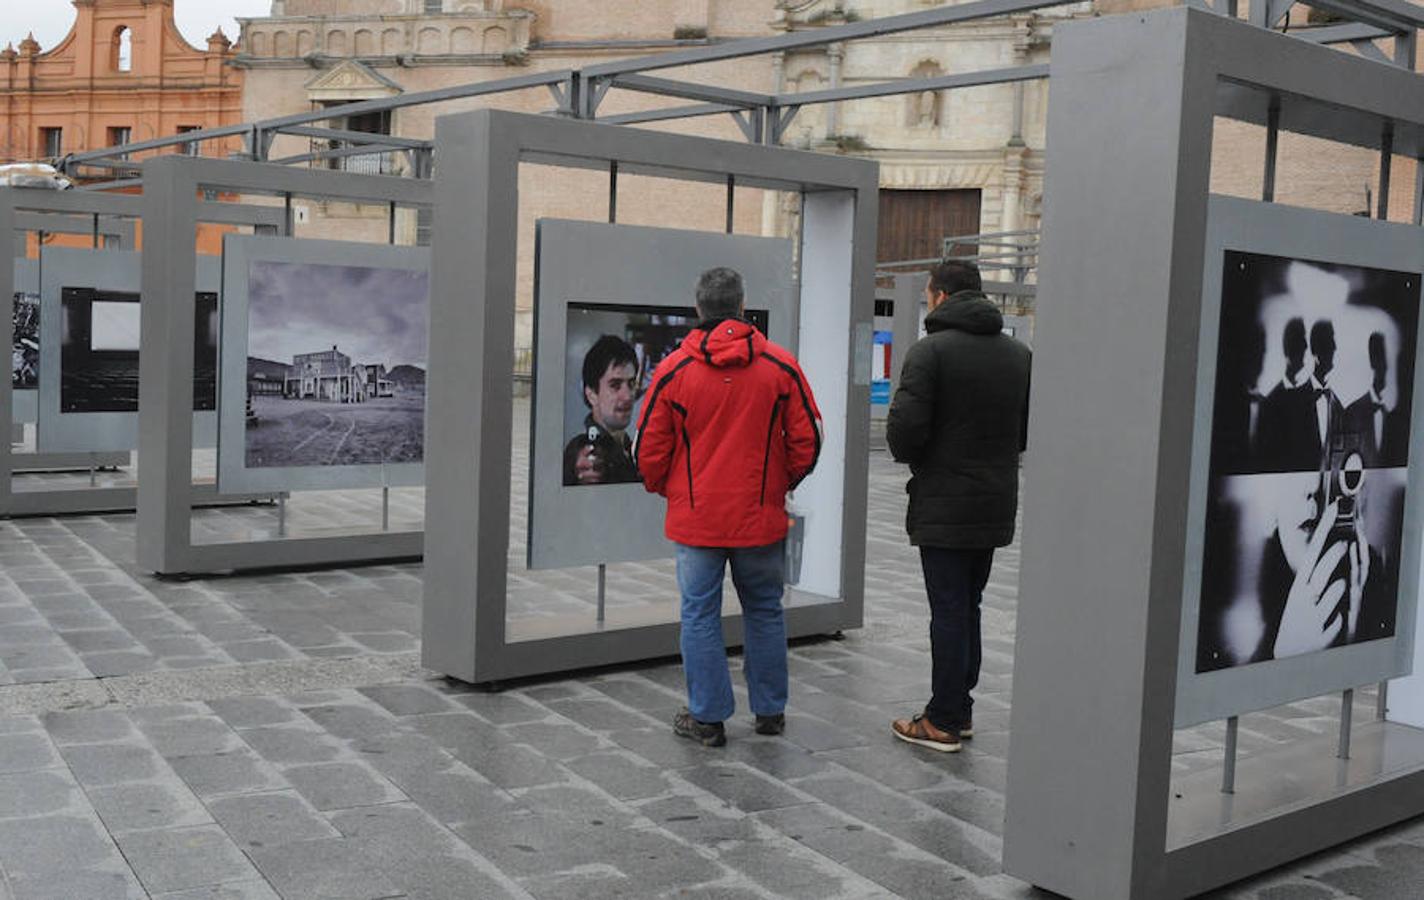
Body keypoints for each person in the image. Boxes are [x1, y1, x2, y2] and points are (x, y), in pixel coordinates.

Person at [636, 266, 822, 747]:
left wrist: (670, 490)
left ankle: (708, 717)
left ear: (697, 309)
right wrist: (779, 483)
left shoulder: (674, 371)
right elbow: (809, 439)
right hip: (759, 517)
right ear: (742, 307)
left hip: (697, 519)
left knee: (699, 614)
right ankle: (769, 710)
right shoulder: (780, 366)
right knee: (764, 609)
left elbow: (648, 449)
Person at [885, 259, 1030, 753]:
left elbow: (904, 433)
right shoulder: (1018, 355)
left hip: (944, 503)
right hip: (994, 501)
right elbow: (1024, 431)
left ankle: (942, 720)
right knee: (969, 605)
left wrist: (927, 457)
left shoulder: (929, 352)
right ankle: (960, 708)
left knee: (947, 610)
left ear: (941, 296)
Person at [563, 334, 641, 486]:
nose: (628, 396)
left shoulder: (630, 447)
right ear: (591, 394)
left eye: (631, 384)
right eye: (615, 385)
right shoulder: (581, 455)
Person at [1346, 332, 1407, 467]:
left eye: (1395, 360)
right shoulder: (1352, 413)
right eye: (1385, 358)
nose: (1390, 367)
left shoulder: (1401, 419)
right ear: (1373, 361)